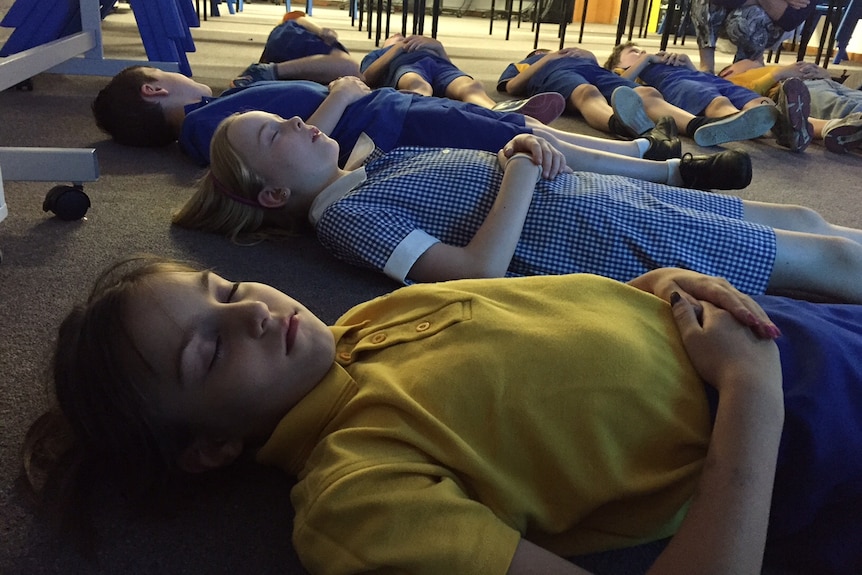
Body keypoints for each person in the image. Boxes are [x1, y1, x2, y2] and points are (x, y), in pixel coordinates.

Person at [25, 255, 862, 574]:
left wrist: (663, 284)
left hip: (778, 326)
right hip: (806, 431)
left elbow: (567, 319)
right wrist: (751, 390)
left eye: (229, 286)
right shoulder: (353, 494)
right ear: (210, 447)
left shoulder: (363, 324)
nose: (250, 312)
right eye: (207, 351)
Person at [175, 111, 862, 305]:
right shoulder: (342, 219)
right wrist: (522, 167)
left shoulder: (364, 170)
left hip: (611, 202)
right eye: (275, 133)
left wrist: (526, 148)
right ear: (272, 195)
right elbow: (478, 272)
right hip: (602, 240)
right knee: (824, 260)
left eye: (288, 117)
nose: (298, 123)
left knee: (803, 221)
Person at [91, 68, 677, 167]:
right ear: (153, 89)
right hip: (384, 123)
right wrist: (341, 96)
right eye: (165, 72)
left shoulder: (209, 110)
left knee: (503, 127)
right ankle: (639, 158)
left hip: (389, 109)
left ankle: (635, 153)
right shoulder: (202, 128)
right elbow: (287, 146)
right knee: (506, 134)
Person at [496, 47, 777, 147]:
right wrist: (549, 58)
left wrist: (588, 58)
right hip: (558, 74)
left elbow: (612, 71)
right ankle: (619, 124)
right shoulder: (536, 61)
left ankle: (697, 125)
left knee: (647, 92)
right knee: (586, 92)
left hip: (599, 73)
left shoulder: (595, 62)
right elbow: (512, 87)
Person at [604, 42, 811, 152]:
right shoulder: (634, 72)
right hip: (678, 85)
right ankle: (743, 122)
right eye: (634, 51)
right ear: (618, 66)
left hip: (705, 78)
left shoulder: (667, 62)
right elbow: (624, 82)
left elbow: (702, 75)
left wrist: (686, 62)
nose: (642, 51)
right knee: (718, 102)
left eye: (642, 50)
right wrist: (645, 59)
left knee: (760, 102)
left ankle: (821, 127)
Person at [360, 33, 564, 124]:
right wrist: (394, 49)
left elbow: (452, 67)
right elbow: (368, 77)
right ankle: (419, 107)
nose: (402, 36)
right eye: (395, 36)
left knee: (471, 86)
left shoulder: (429, 48)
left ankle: (500, 111)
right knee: (416, 83)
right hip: (406, 67)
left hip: (440, 66)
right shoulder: (380, 53)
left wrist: (437, 47)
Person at [719, 58, 862, 154]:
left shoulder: (767, 68)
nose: (757, 60)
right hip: (798, 88)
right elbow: (745, 94)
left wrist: (820, 72)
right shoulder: (733, 79)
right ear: (728, 71)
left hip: (825, 82)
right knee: (839, 106)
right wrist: (777, 74)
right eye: (750, 61)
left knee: (856, 98)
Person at [690, 0, 817, 74]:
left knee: (750, 18)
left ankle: (745, 70)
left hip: (767, 25)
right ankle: (706, 69)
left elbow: (789, 19)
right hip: (723, 13)